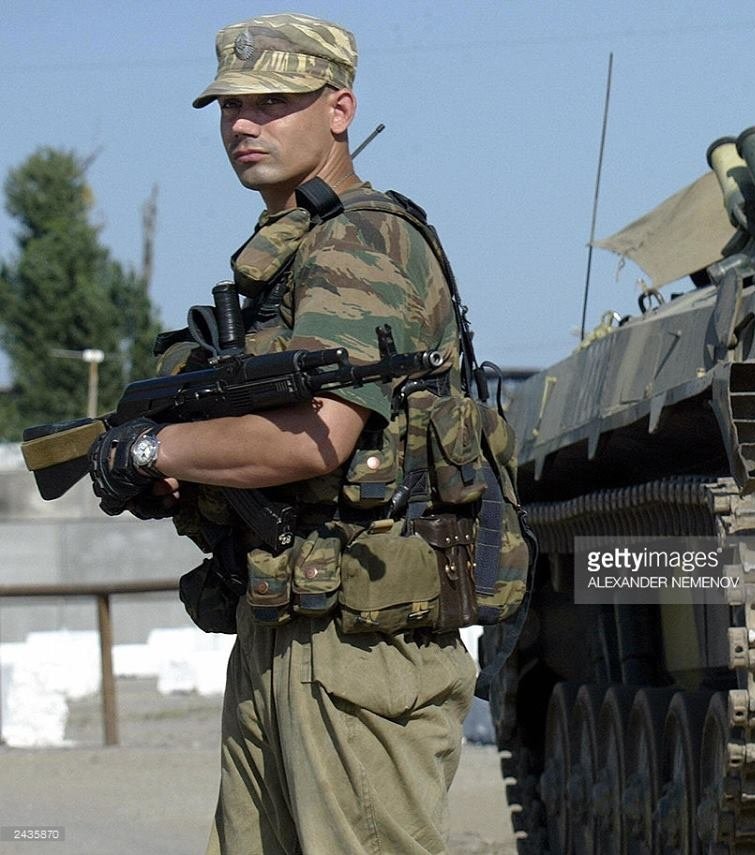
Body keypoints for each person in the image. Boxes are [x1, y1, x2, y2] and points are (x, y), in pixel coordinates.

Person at [87, 13, 478, 854]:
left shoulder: (361, 236)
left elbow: (313, 440)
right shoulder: (288, 250)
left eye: (273, 101)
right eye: (230, 107)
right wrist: (189, 472)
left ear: (340, 109)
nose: (243, 124)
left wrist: (152, 448)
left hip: (358, 647)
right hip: (284, 620)